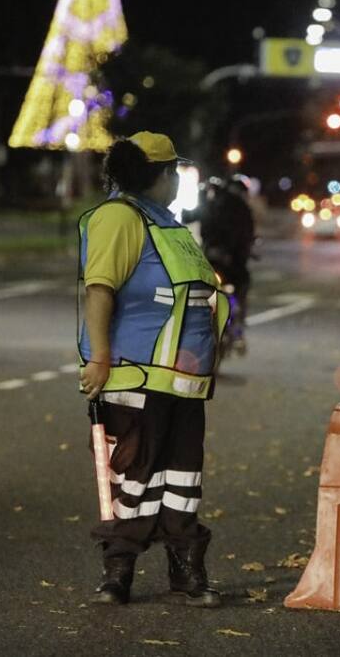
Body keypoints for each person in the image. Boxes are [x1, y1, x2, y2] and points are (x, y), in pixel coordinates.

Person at [78, 132, 229, 607]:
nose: (177, 180)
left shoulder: (167, 223)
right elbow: (99, 288)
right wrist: (100, 359)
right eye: (174, 172)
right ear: (162, 175)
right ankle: (117, 574)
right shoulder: (120, 217)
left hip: (180, 380)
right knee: (136, 475)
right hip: (135, 374)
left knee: (183, 476)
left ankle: (186, 570)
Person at [199, 175, 256, 353]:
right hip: (232, 264)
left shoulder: (214, 203)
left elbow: (203, 227)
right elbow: (246, 235)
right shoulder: (242, 208)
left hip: (211, 260)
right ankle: (238, 332)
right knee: (242, 285)